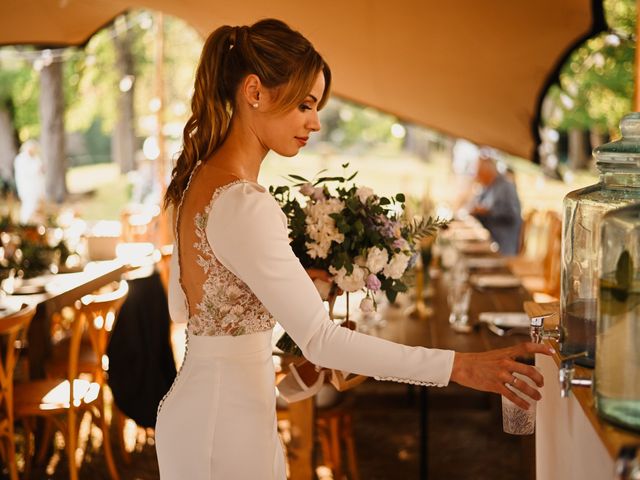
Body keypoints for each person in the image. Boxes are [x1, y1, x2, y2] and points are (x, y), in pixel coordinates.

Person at [155, 19, 551, 479]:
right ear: (254, 91)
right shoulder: (245, 203)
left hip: (201, 417)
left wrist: (287, 344)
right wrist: (458, 366)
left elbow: (192, 313)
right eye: (305, 104)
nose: (315, 122)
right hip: (226, 434)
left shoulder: (192, 187)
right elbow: (321, 340)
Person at [469, 151, 522, 255]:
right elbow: (474, 205)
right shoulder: (487, 186)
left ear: (487, 172)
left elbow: (513, 214)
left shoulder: (506, 187)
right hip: (489, 241)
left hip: (503, 245)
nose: (477, 177)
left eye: (479, 173)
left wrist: (489, 211)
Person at [13, 139, 45, 224]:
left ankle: (32, 223)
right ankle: (24, 222)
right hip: (27, 187)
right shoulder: (20, 159)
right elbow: (23, 174)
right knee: (28, 205)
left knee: (35, 206)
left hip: (36, 187)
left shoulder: (36, 158)